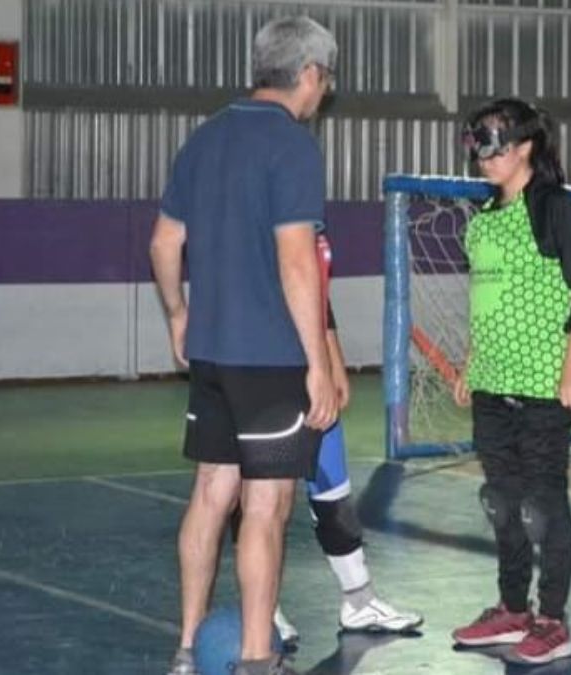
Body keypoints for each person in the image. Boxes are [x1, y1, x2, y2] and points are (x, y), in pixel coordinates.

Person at [149, 16, 339, 675]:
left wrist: (178, 314)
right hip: (271, 357)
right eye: (325, 80)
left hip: (212, 354)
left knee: (210, 492)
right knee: (267, 503)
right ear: (308, 73)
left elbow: (163, 243)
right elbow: (296, 264)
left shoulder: (204, 138)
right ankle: (257, 657)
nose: (323, 93)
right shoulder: (291, 146)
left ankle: (187, 646)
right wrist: (318, 362)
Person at [449, 98, 571, 665]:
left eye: (496, 146)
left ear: (526, 147)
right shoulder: (485, 217)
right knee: (503, 502)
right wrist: (470, 363)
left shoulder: (555, 209)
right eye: (480, 147)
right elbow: (483, 302)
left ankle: (553, 620)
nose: (486, 159)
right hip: (492, 383)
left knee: (543, 506)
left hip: (543, 384)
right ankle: (513, 609)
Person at [231, 242, 423, 640]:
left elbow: (315, 292)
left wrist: (332, 361)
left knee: (332, 483)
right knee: (264, 499)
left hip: (308, 364)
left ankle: (358, 599)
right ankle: (263, 610)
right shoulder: (260, 208)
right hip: (267, 366)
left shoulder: (306, 213)